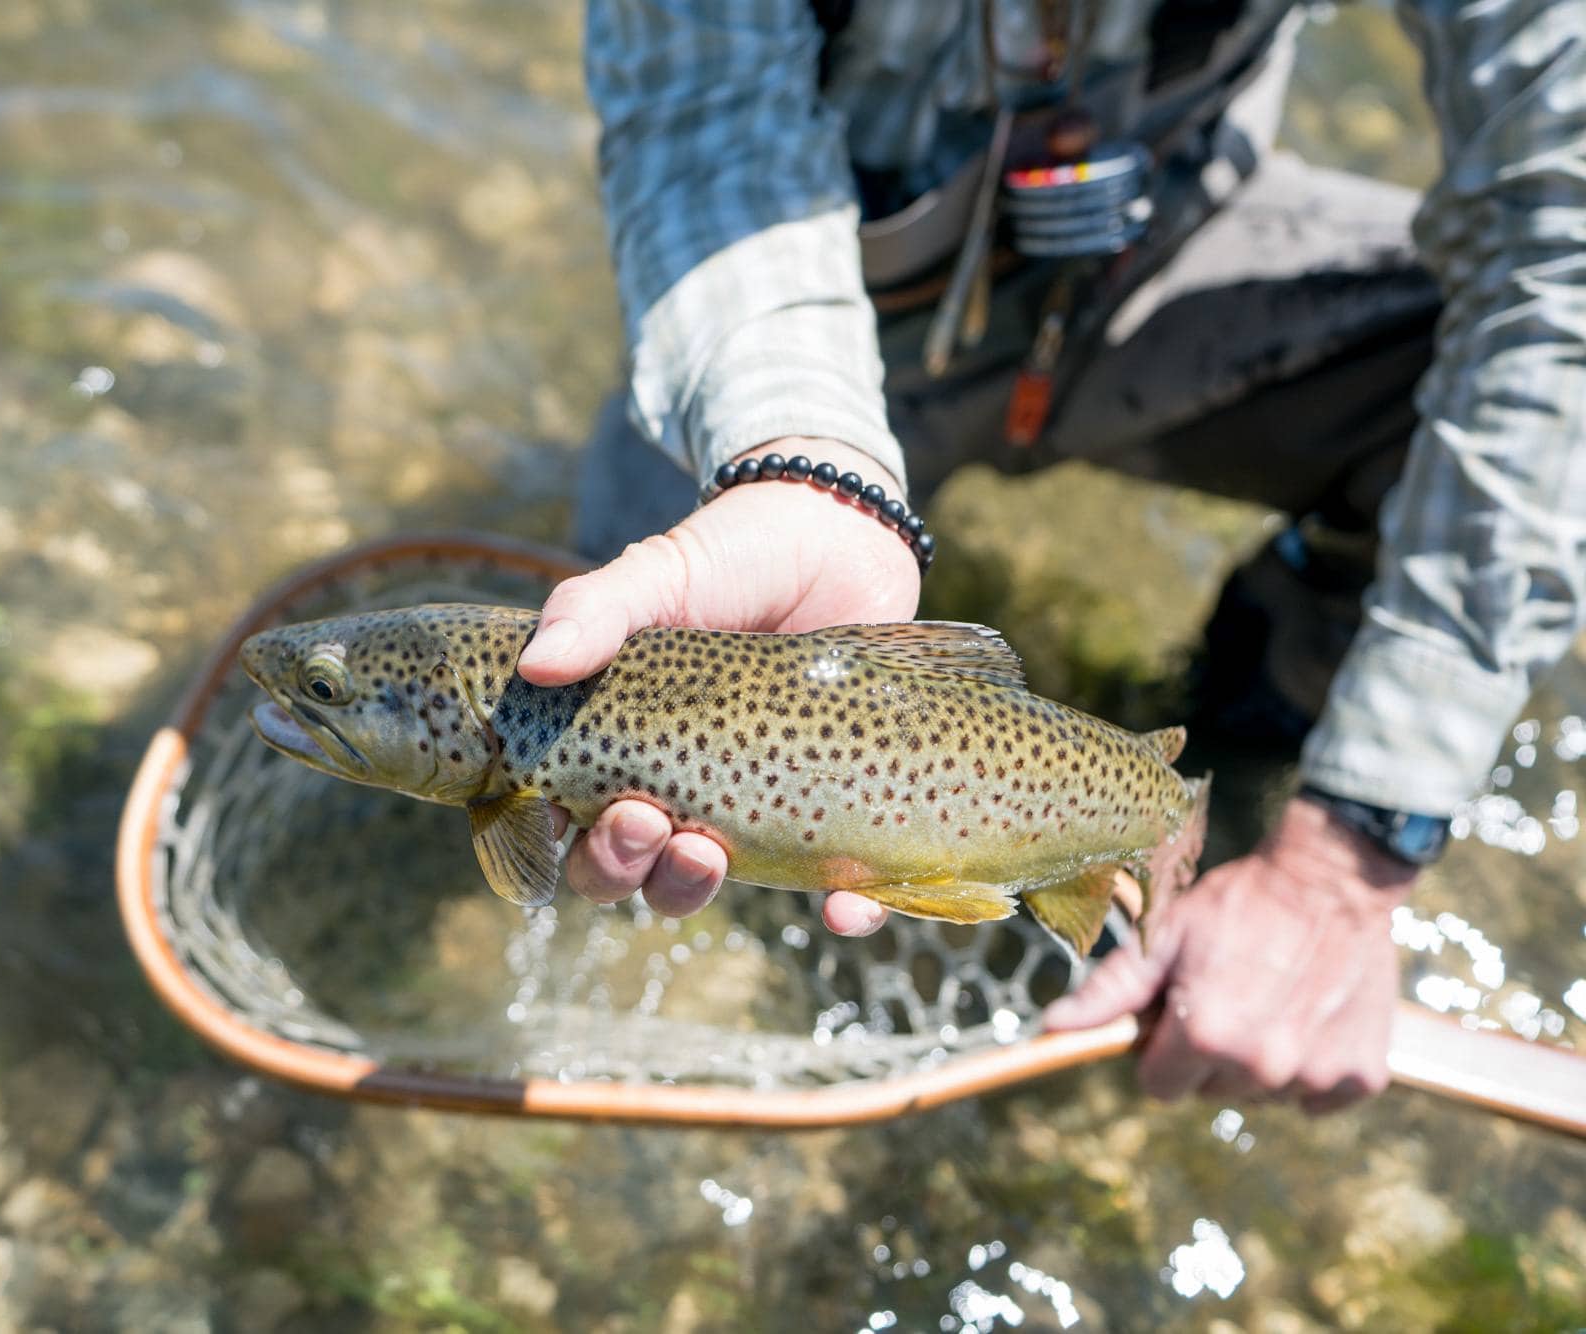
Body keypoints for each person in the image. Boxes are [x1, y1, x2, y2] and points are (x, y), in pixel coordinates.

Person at [515, 0, 1586, 1110]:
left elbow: (1561, 254)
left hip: (1162, 253)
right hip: (816, 322)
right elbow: (703, 118)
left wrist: (1354, 845)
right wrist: (796, 460)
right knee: (609, 693)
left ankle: (1253, 759)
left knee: (1499, 391)